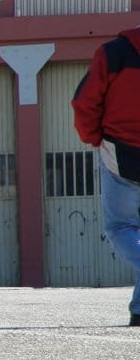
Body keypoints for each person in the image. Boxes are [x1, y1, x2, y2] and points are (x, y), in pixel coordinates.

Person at [72, 25, 140, 326]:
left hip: (121, 154)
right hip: (120, 151)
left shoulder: (113, 53)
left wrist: (92, 137)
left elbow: (85, 101)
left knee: (121, 227)